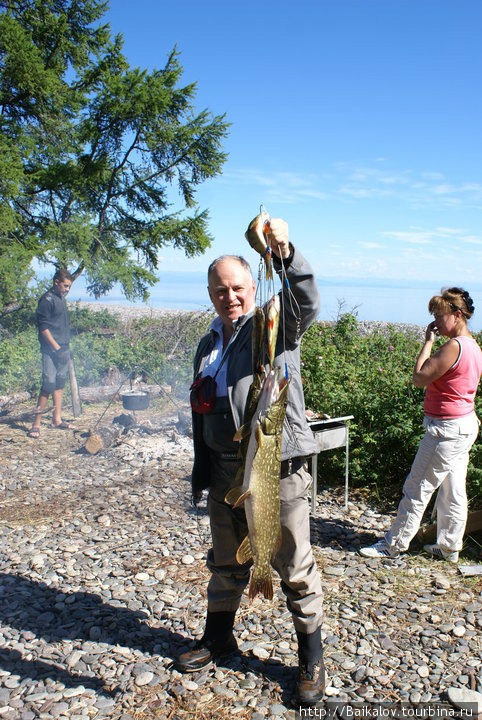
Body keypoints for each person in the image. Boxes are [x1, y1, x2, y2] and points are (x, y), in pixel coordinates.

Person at [175, 219, 326, 706]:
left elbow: (304, 303)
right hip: (223, 471)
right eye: (220, 289)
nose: (230, 296)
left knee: (295, 564)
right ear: (211, 294)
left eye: (238, 287)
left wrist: (284, 252)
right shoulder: (207, 343)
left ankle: (311, 658)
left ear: (251, 286)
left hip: (273, 469)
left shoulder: (272, 325)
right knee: (224, 560)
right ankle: (218, 636)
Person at [360, 287, 482, 563]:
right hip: (464, 425)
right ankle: (449, 545)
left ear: (457, 315)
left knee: (418, 486)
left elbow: (419, 377)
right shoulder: (474, 347)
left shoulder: (454, 347)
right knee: (453, 489)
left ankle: (393, 545)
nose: (436, 322)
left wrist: (427, 342)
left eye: (440, 316)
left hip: (446, 429)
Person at [28, 269, 74, 438]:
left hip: (63, 347)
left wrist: (66, 348)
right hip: (50, 349)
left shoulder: (61, 298)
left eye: (69, 286)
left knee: (60, 382)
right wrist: (57, 348)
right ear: (56, 282)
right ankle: (36, 424)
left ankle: (56, 419)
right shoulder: (46, 300)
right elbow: (44, 329)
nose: (67, 289)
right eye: (65, 285)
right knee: (48, 383)